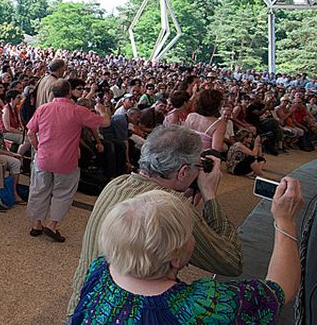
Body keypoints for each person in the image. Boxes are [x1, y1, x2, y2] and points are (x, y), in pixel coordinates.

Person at [67, 125, 244, 313]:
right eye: (198, 167)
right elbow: (231, 262)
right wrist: (209, 194)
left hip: (84, 305)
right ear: (183, 172)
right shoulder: (172, 209)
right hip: (127, 314)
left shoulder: (117, 183)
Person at [71, 183, 303, 324]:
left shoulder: (100, 268)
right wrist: (285, 219)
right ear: (176, 256)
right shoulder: (200, 305)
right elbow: (281, 289)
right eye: (190, 233)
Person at [26, 79, 110, 243]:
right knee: (63, 193)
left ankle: (36, 224)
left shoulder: (43, 108)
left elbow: (30, 133)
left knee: (38, 189)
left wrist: (38, 148)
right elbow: (105, 122)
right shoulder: (77, 111)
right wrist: (102, 109)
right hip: (66, 161)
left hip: (43, 158)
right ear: (69, 92)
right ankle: (52, 225)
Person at [183, 88, 226, 156]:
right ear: (217, 105)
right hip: (201, 161)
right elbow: (215, 150)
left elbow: (183, 137)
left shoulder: (191, 116)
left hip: (186, 155)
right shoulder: (219, 124)